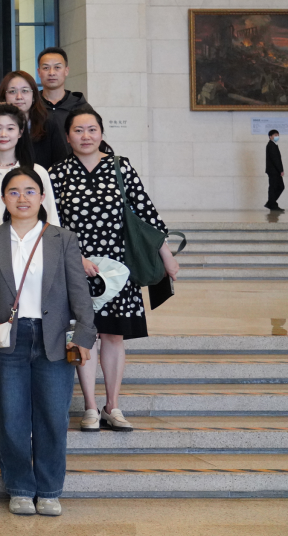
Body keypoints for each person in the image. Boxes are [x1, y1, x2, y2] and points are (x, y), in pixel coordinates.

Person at [49, 105, 179, 434]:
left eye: (92, 129)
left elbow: (146, 212)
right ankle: (90, 407)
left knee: (114, 335)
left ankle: (113, 405)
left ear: (101, 133)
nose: (86, 136)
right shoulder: (57, 173)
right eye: (78, 130)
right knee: (84, 335)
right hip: (77, 268)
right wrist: (74, 258)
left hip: (118, 268)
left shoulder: (121, 167)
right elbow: (52, 223)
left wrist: (166, 255)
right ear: (67, 137)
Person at [0, 167, 95, 517]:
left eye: (30, 191)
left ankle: (49, 490)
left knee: (53, 418)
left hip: (53, 338)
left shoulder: (62, 238)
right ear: (3, 198)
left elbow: (79, 291)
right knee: (12, 418)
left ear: (42, 197)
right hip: (8, 340)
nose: (22, 198)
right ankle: (20, 488)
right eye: (14, 192)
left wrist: (84, 335)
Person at [0, 104, 60, 238]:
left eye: (10, 128)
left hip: (32, 247)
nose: (3, 134)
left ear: (20, 132)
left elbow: (51, 218)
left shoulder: (38, 172)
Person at [0, 71, 68, 169]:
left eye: (25, 91)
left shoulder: (48, 126)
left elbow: (61, 165)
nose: (19, 97)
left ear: (34, 96)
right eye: (12, 92)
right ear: (4, 97)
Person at [37, 47, 89, 132]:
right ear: (39, 72)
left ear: (66, 71)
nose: (51, 73)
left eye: (57, 67)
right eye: (46, 68)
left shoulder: (81, 107)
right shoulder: (31, 105)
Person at [267, 129, 283, 212]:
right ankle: (271, 204)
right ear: (270, 137)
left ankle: (271, 203)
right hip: (273, 171)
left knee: (279, 187)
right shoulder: (271, 145)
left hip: (274, 170)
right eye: (275, 135)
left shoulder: (273, 145)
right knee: (274, 188)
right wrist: (281, 170)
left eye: (278, 135)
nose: (277, 137)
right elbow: (275, 159)